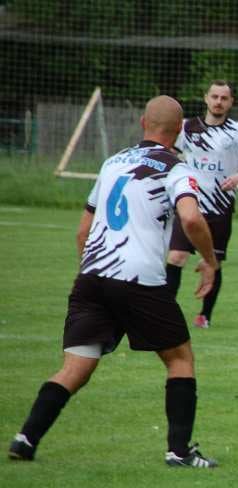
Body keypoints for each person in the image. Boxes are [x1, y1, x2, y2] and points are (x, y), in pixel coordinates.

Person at [8, 96, 221, 467]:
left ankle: (26, 438)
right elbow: (190, 219)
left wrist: (90, 272)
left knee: (75, 367)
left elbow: (83, 229)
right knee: (180, 359)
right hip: (139, 279)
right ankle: (180, 452)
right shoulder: (176, 169)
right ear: (179, 131)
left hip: (92, 276)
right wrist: (210, 260)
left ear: (143, 123)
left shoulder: (113, 163)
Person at [166, 80, 238, 329]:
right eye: (214, 96)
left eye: (224, 98)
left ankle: (204, 316)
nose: (218, 102)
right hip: (189, 204)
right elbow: (171, 156)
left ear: (231, 102)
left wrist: (237, 178)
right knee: (175, 257)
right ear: (206, 98)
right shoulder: (188, 128)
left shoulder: (236, 132)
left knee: (212, 262)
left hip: (220, 207)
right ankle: (165, 313)